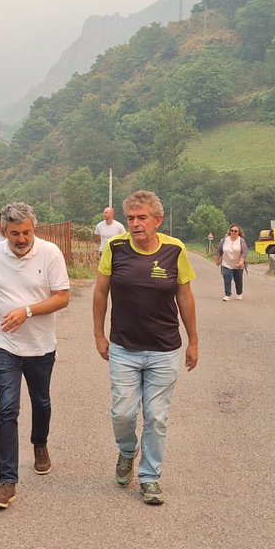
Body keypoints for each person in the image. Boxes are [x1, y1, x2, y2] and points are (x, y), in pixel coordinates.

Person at [92, 190, 199, 506]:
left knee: (156, 417)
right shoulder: (116, 247)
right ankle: (127, 450)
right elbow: (100, 294)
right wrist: (99, 335)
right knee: (122, 412)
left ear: (157, 220)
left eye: (142, 218)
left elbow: (185, 297)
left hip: (164, 349)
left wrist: (194, 341)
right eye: (131, 218)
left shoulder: (174, 250)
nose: (135, 224)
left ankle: (150, 478)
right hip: (124, 347)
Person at [0, 202, 71, 509]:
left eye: (27, 232)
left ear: (34, 229)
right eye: (15, 233)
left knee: (41, 402)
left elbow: (63, 297)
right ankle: (7, 482)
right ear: (3, 230)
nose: (21, 239)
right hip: (5, 344)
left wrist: (27, 311)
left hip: (41, 346)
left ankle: (39, 444)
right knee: (7, 408)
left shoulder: (50, 253)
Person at [216, 224, 248, 301]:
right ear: (230, 231)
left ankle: (239, 293)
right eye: (232, 230)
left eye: (235, 231)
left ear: (238, 232)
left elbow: (244, 252)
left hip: (238, 264)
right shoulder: (224, 240)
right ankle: (227, 295)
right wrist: (217, 259)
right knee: (227, 279)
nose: (233, 232)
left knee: (238, 280)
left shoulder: (241, 240)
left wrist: (241, 261)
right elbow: (219, 250)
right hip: (226, 263)